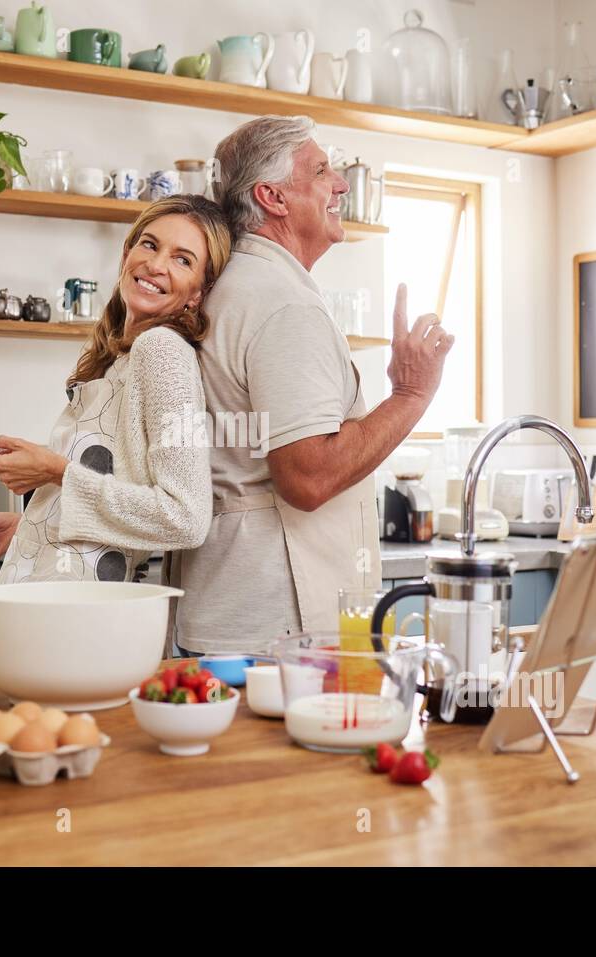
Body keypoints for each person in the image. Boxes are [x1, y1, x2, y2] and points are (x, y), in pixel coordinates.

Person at [165, 115, 455, 655]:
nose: (341, 184)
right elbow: (309, 476)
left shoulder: (233, 287)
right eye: (322, 171)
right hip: (275, 630)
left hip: (227, 614)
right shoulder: (284, 304)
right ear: (272, 197)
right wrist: (412, 395)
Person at [0, 195, 231, 677]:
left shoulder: (162, 352)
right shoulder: (114, 358)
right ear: (126, 255)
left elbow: (185, 517)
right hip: (60, 608)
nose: (156, 264)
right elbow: (121, 489)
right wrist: (35, 528)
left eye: (182, 259)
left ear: (197, 293)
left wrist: (53, 470)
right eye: (149, 244)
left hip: (81, 628)